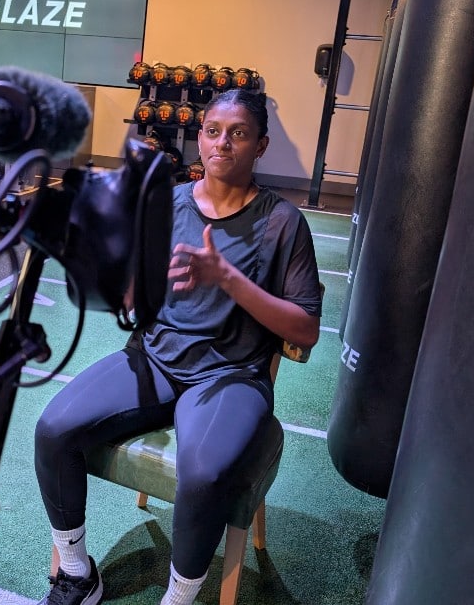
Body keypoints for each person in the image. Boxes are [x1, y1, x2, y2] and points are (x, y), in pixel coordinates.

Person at [34, 88, 323, 605]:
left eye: (238, 133)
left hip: (232, 376)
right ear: (200, 139)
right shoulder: (167, 204)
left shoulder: (283, 222)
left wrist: (228, 279)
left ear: (261, 145)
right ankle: (77, 574)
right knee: (53, 429)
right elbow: (134, 291)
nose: (222, 143)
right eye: (212, 131)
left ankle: (179, 598)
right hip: (154, 359)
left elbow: (304, 331)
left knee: (204, 473)